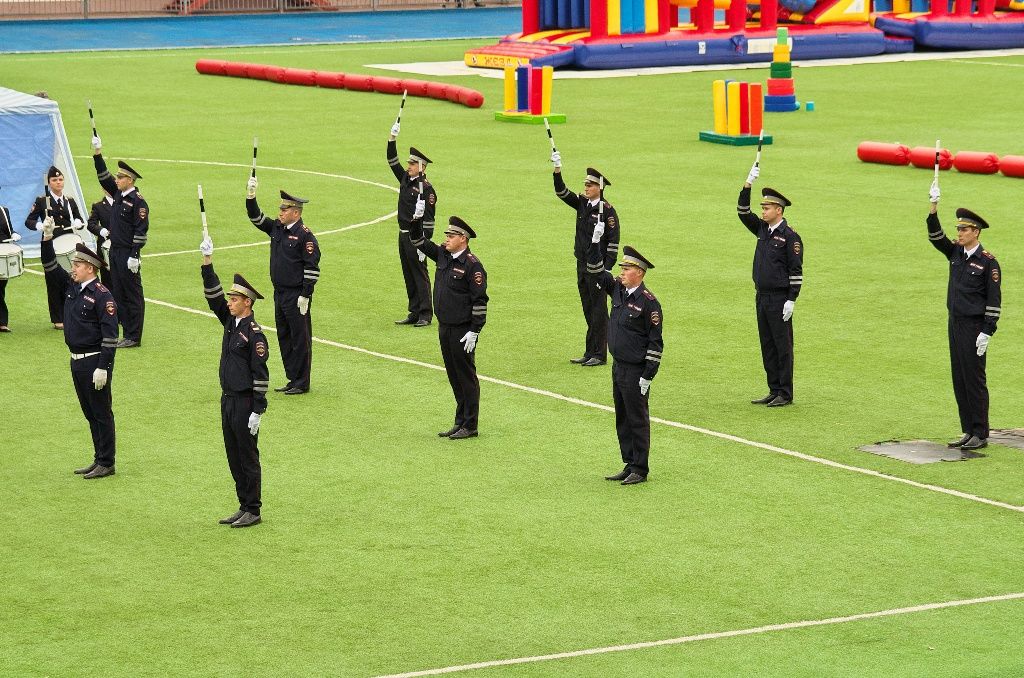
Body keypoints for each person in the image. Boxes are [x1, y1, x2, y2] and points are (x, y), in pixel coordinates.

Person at [200, 233, 269, 528]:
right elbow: (212, 296)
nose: (229, 302)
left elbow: (261, 375)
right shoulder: (230, 323)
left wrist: (258, 410)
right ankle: (243, 505)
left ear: (247, 303)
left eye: (234, 299)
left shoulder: (254, 335)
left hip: (244, 403)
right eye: (230, 298)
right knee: (233, 455)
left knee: (247, 456)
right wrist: (207, 262)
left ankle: (253, 509)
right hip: (227, 400)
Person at [927, 181, 1001, 456]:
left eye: (964, 229)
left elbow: (994, 301)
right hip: (955, 323)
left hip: (974, 327)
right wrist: (933, 207)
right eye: (958, 229)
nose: (958, 233)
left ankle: (980, 433)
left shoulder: (988, 262)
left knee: (974, 380)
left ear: (976, 232)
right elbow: (936, 237)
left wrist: (987, 331)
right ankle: (968, 430)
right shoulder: (956, 253)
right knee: (959, 378)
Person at [585, 227, 663, 485]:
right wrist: (595, 242)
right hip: (619, 367)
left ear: (639, 272)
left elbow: (656, 343)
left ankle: (640, 468)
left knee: (637, 419)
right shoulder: (618, 289)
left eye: (626, 268)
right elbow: (595, 270)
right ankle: (629, 463)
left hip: (636, 370)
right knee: (622, 416)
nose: (621, 272)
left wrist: (648, 375)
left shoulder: (649, 303)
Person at [40, 226, 119, 479]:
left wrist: (103, 368)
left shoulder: (102, 296)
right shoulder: (73, 287)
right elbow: (49, 265)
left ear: (90, 269)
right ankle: (98, 458)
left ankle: (107, 461)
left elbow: (110, 337)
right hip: (76, 361)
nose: (72, 268)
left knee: (101, 412)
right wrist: (47, 238)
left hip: (94, 361)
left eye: (77, 265)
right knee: (89, 412)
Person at [408, 215, 488, 439]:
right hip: (445, 327)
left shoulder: (473, 266)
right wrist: (415, 222)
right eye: (447, 235)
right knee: (454, 376)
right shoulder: (444, 255)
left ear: (463, 239)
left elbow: (480, 301)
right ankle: (460, 421)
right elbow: (419, 241)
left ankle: (470, 425)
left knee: (466, 377)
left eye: (451, 236)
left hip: (463, 330)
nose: (447, 239)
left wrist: (475, 330)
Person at [245, 180, 320, 395]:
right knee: (285, 337)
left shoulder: (305, 236)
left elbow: (312, 268)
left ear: (296, 213)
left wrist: (305, 295)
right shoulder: (277, 228)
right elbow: (256, 218)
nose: (280, 212)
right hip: (279, 294)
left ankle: (302, 382)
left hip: (296, 296)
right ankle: (292, 378)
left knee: (300, 339)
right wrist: (251, 196)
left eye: (284, 209)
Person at [738, 164, 803, 407]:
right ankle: (773, 388)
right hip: (762, 296)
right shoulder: (763, 230)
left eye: (766, 208)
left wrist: (791, 299)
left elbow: (796, 271)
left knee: (782, 346)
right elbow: (743, 212)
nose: (763, 211)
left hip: (779, 299)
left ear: (779, 210)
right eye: (763, 208)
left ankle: (785, 392)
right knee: (767, 345)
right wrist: (747, 184)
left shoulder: (790, 237)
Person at [550, 153, 620, 367]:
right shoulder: (583, 204)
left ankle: (600, 354)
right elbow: (561, 192)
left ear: (600, 187)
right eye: (585, 185)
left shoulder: (608, 212)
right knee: (588, 308)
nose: (586, 188)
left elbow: (613, 243)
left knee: (599, 311)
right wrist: (557, 170)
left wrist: (607, 269)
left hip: (597, 268)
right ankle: (590, 351)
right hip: (581, 264)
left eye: (590, 185)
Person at [91, 135, 149, 348]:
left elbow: (140, 231)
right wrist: (97, 153)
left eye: (120, 177)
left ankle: (134, 336)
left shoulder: (138, 202)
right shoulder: (119, 195)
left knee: (132, 295)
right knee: (119, 293)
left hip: (127, 253)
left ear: (129, 180)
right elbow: (103, 176)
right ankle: (126, 332)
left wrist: (134, 255)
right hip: (115, 251)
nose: (116, 179)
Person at [387, 121, 436, 327]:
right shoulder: (406, 180)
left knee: (420, 274)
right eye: (409, 163)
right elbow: (392, 161)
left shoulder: (427, 189)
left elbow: (430, 221)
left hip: (416, 237)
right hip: (403, 234)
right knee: (408, 273)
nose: (408, 167)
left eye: (413, 164)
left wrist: (424, 244)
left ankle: (425, 314)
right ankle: (414, 311)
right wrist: (392, 139)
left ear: (422, 167)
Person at [25, 166, 86, 329]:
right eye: (54, 180)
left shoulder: (69, 201)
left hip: (69, 244)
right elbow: (29, 221)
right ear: (49, 183)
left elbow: (79, 220)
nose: (58, 182)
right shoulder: (42, 201)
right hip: (50, 244)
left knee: (72, 279)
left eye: (60, 179)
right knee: (54, 281)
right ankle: (58, 318)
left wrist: (78, 223)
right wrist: (41, 226)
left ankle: (73, 314)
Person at [86, 190, 115, 288]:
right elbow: (91, 224)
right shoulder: (98, 206)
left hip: (122, 246)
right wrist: (101, 230)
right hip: (105, 248)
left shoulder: (124, 203)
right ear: (103, 189)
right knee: (108, 281)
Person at [0, 196, 20, 332]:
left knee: (1, 287)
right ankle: (2, 321)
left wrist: (14, 234)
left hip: (3, 254)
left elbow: (9, 229)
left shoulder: (4, 210)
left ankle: (1, 321)